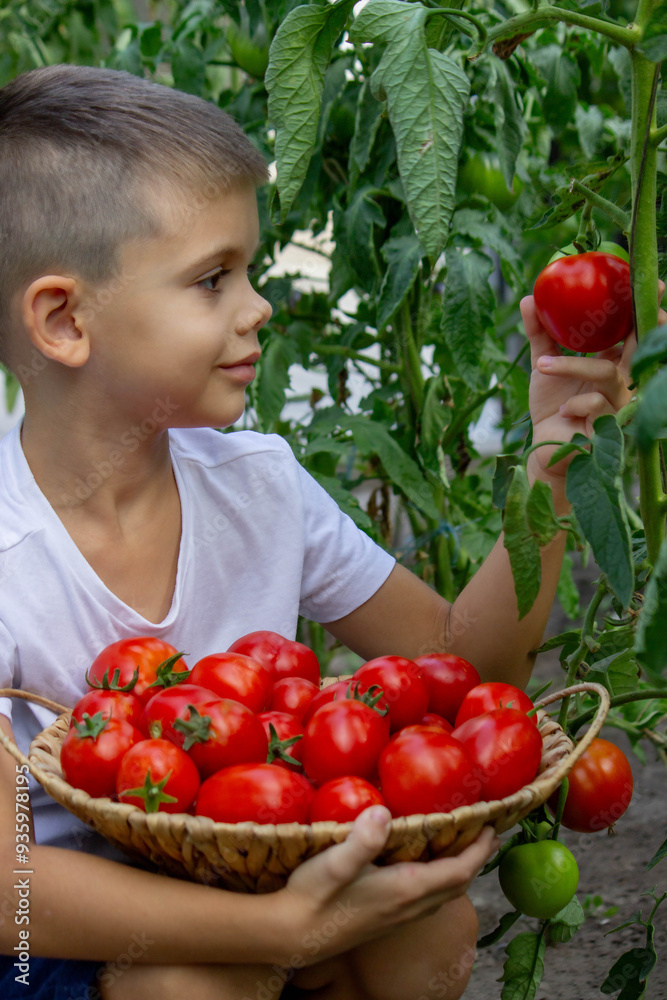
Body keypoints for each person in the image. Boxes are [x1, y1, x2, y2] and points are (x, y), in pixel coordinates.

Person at [0, 63, 642, 1000]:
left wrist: (555, 449)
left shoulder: (258, 485)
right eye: (213, 279)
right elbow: (11, 888)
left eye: (249, 270)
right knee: (189, 985)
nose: (258, 306)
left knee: (432, 929)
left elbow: (465, 670)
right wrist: (278, 930)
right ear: (64, 319)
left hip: (271, 877)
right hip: (55, 942)